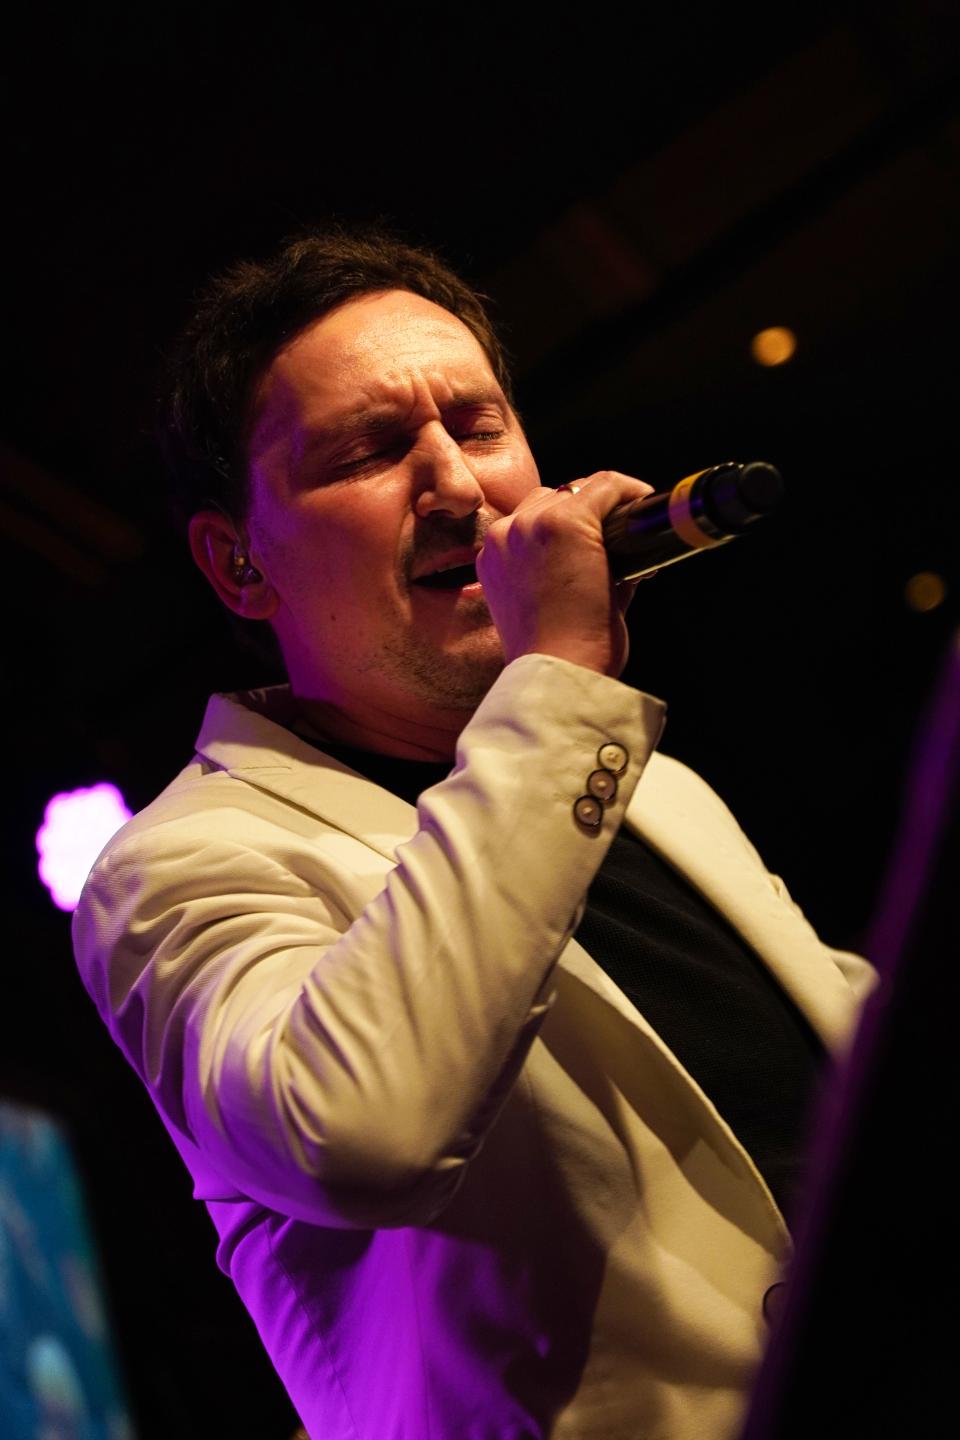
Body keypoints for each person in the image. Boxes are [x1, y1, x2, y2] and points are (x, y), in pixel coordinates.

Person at [72, 226, 875, 1440]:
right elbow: (359, 1130)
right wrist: (559, 684)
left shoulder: (648, 784)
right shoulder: (174, 867)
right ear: (238, 563)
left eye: (479, 425)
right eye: (372, 450)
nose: (458, 485)